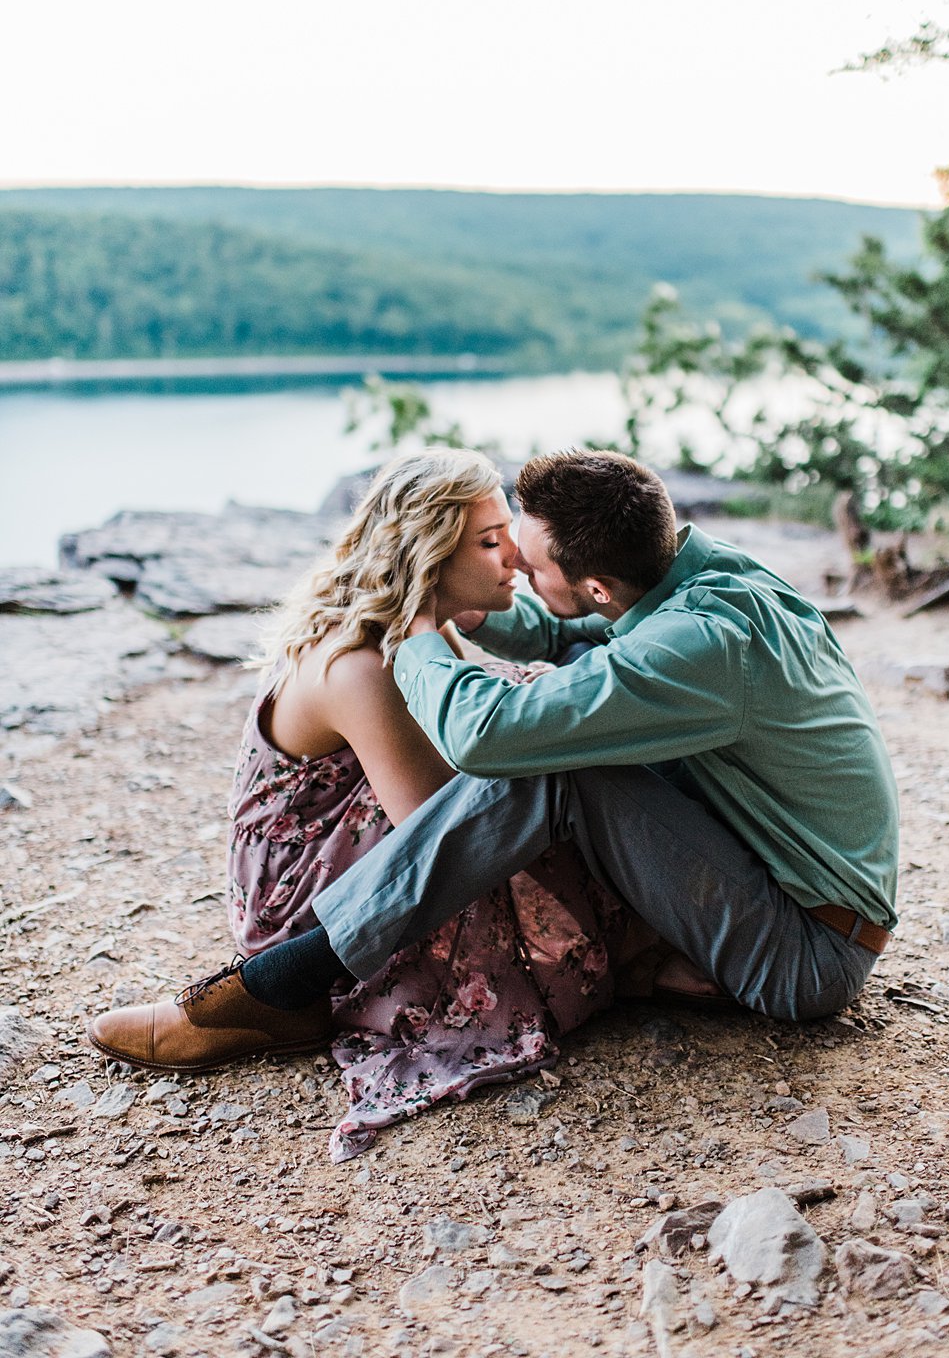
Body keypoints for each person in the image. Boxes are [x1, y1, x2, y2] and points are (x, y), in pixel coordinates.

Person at [90, 448, 898, 1089]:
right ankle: (637, 954)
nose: (513, 566)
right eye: (494, 544)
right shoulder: (702, 580)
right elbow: (564, 640)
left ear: (592, 584)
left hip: (806, 951)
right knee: (562, 721)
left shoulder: (701, 647)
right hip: (788, 892)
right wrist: (450, 603)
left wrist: (413, 626)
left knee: (556, 764)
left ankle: (278, 987)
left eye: (527, 560)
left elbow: (490, 739)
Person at [88, 449, 647, 1158]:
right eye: (488, 541)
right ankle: (270, 995)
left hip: (375, 858)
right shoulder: (362, 662)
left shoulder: (425, 626)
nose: (515, 556)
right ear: (427, 556)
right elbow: (443, 829)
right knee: (533, 769)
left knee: (536, 731)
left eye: (506, 531)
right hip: (311, 898)